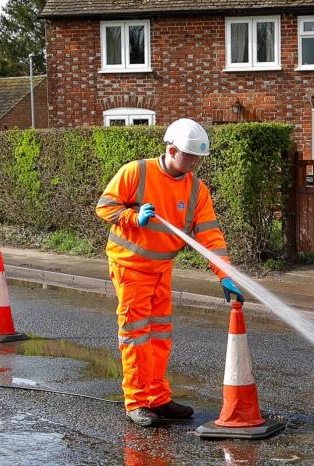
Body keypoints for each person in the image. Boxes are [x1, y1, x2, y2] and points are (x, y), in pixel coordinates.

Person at [96, 118, 245, 427]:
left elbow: (210, 236)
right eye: (188, 157)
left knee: (161, 336)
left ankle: (158, 398)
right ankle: (136, 403)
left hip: (162, 268)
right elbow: (104, 207)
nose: (193, 164)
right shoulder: (136, 171)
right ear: (171, 149)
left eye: (197, 158)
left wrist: (224, 274)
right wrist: (133, 217)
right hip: (130, 266)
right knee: (136, 336)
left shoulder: (195, 189)